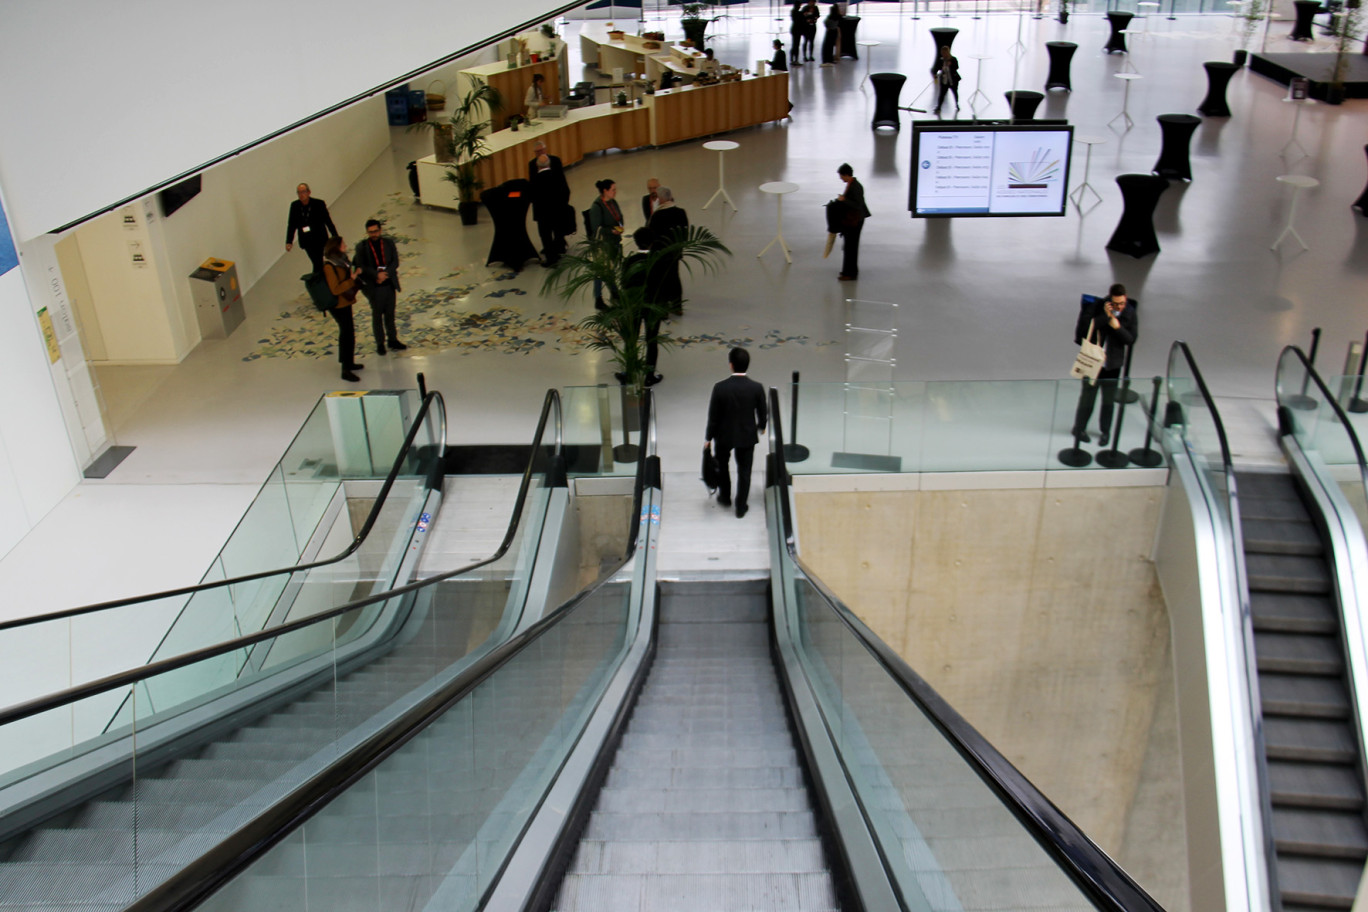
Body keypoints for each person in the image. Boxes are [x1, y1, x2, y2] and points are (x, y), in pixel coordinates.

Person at [705, 347, 768, 519]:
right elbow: (763, 413)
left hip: (723, 435)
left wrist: (708, 438)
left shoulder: (719, 388)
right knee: (744, 471)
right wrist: (761, 427)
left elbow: (713, 416)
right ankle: (741, 507)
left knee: (723, 466)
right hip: (747, 436)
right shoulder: (756, 388)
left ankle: (725, 497)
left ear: (730, 365)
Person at [1072, 284, 1138, 446]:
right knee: (1087, 398)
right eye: (1115, 303)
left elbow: (1130, 340)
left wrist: (1118, 327)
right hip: (1093, 362)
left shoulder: (1129, 312)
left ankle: (1105, 431)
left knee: (1108, 401)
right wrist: (1105, 317)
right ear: (1109, 299)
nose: (1119, 307)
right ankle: (1079, 428)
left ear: (1126, 299)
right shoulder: (1097, 307)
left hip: (1112, 365)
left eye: (1122, 303)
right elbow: (1084, 329)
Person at [351, 218, 407, 355]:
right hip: (374, 287)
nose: (374, 234)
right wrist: (377, 275)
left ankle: (393, 339)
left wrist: (385, 274)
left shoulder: (388, 243)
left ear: (380, 230)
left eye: (375, 231)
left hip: (389, 284)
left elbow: (395, 262)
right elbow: (362, 266)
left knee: (390, 314)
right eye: (370, 232)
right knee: (377, 316)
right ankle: (380, 343)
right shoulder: (362, 247)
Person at [319, 237, 364, 383]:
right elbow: (335, 288)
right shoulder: (329, 266)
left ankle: (349, 362)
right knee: (346, 334)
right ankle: (345, 369)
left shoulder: (342, 260)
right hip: (338, 305)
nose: (345, 245)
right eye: (343, 244)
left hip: (346, 303)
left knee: (349, 333)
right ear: (336, 247)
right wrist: (352, 278)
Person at [644, 186, 689, 314]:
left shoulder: (657, 215)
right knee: (674, 277)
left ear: (660, 199)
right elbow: (685, 233)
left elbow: (652, 235)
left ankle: (663, 309)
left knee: (661, 280)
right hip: (675, 252)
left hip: (661, 253)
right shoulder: (681, 212)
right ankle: (677, 306)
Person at [528, 141, 571, 266]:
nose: (540, 153)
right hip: (556, 207)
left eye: (542, 150)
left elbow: (532, 193)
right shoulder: (552, 176)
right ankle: (554, 250)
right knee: (554, 230)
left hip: (544, 211)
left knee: (546, 233)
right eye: (537, 151)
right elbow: (564, 189)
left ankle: (554, 253)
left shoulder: (554, 163)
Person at [587, 178, 625, 310]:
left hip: (614, 241)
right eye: (613, 189)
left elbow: (619, 216)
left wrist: (620, 226)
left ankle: (614, 292)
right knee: (600, 272)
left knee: (610, 269)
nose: (615, 192)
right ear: (605, 191)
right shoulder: (596, 207)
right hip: (602, 245)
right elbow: (596, 228)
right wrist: (611, 230)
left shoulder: (613, 202)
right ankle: (598, 298)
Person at [285, 183, 338, 277]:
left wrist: (335, 237)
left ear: (309, 192)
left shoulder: (319, 204)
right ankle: (321, 279)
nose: (301, 195)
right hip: (307, 241)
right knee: (316, 261)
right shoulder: (295, 206)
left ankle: (321, 279)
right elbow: (291, 225)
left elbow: (328, 221)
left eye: (303, 192)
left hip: (320, 238)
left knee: (321, 261)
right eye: (299, 192)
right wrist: (289, 241)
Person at [835, 163, 869, 280]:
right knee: (849, 247)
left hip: (855, 220)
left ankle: (850, 273)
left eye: (841, 176)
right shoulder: (852, 184)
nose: (840, 178)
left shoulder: (855, 187)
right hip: (853, 220)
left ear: (846, 174)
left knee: (851, 247)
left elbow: (857, 205)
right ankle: (847, 272)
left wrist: (844, 200)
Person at [932, 45, 961, 115]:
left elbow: (956, 67)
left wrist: (950, 65)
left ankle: (957, 104)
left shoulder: (953, 59)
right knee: (942, 94)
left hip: (953, 80)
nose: (944, 54)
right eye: (943, 53)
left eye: (945, 53)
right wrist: (935, 74)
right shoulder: (941, 60)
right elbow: (936, 68)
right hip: (944, 80)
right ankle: (939, 107)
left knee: (955, 92)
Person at [789, 1, 806, 66]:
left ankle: (793, 59)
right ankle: (795, 59)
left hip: (795, 30)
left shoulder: (793, 12)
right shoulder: (798, 13)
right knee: (796, 45)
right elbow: (800, 20)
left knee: (795, 45)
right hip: (797, 30)